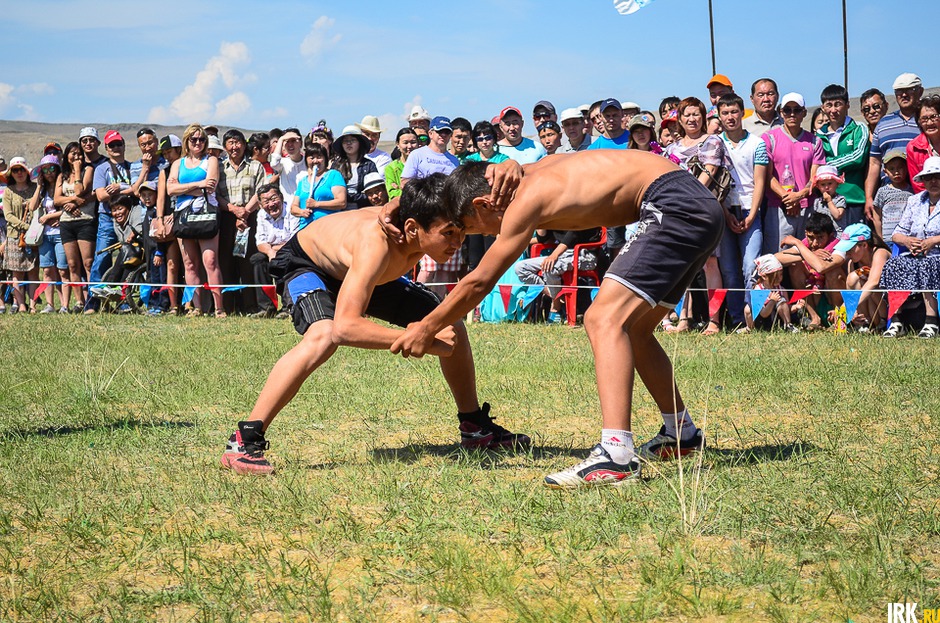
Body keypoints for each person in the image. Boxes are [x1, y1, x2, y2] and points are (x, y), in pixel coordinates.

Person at [386, 152, 723, 487]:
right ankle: (682, 435)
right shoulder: (523, 173)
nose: (484, 236)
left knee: (602, 319)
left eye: (474, 228)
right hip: (694, 203)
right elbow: (458, 179)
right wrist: (400, 204)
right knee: (634, 329)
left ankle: (616, 456)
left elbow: (478, 281)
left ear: (484, 204)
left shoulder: (523, 200)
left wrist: (426, 326)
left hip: (674, 205)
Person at [220, 174, 530, 474]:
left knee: (451, 324)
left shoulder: (422, 215)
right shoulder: (377, 244)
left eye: (461, 231)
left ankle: (474, 427)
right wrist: (419, 339)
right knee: (324, 335)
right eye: (449, 233)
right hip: (309, 265)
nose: (458, 242)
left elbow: (435, 188)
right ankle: (245, 439)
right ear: (411, 228)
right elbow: (345, 328)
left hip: (370, 274)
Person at [665, 96, 727, 334]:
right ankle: (683, 318)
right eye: (686, 115)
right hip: (676, 213)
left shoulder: (712, 142)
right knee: (682, 267)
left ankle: (714, 320)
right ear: (680, 120)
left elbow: (709, 173)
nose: (691, 119)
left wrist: (685, 198)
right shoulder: (671, 149)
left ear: (703, 117)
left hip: (703, 209)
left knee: (710, 264)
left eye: (696, 114)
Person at [716, 93, 769, 328]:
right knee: (728, 269)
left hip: (750, 208)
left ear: (742, 112)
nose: (730, 117)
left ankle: (752, 318)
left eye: (734, 112)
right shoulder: (714, 143)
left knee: (751, 265)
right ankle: (737, 319)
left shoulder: (758, 143)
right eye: (725, 113)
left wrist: (752, 214)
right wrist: (726, 215)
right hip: (724, 210)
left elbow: (760, 182)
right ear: (719, 115)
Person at [166, 123, 225, 317]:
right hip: (184, 216)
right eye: (194, 139)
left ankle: (219, 308)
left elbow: (211, 186)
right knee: (189, 263)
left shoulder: (212, 160)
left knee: (210, 260)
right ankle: (196, 307)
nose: (198, 142)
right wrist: (198, 183)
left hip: (206, 213)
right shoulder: (177, 164)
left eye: (201, 139)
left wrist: (184, 187)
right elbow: (170, 190)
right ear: (186, 142)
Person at [401, 116, 463, 296]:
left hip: (447, 219)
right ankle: (415, 300)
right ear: (430, 133)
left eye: (447, 132)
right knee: (428, 268)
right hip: (426, 217)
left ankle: (439, 308)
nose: (443, 135)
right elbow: (405, 183)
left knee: (445, 268)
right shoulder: (417, 155)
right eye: (440, 131)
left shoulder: (454, 160)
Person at [880, 156, 940, 338]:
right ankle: (897, 320)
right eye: (928, 178)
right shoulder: (915, 201)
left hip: (936, 255)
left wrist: (933, 241)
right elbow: (896, 233)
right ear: (922, 181)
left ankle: (931, 322)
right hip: (916, 254)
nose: (933, 181)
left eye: (937, 176)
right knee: (893, 265)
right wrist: (908, 242)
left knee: (927, 266)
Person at [762, 93, 825, 255]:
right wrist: (787, 198)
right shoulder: (769, 139)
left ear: (804, 113)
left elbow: (815, 176)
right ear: (780, 112)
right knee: (778, 256)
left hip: (808, 208)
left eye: (796, 110)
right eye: (787, 110)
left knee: (806, 257)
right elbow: (766, 176)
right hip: (778, 208)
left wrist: (800, 195)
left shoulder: (814, 141)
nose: (792, 114)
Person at [86, 130, 136, 313]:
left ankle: (124, 301)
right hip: (108, 219)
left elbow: (137, 190)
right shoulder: (102, 169)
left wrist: (118, 187)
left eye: (118, 144)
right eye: (111, 145)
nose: (116, 148)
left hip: (130, 219)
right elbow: (100, 195)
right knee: (101, 260)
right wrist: (125, 189)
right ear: (106, 148)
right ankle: (92, 304)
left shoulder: (133, 167)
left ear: (124, 145)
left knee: (130, 259)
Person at [217, 129, 266, 315]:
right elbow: (216, 195)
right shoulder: (220, 168)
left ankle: (251, 305)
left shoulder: (255, 166)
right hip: (227, 218)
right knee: (226, 262)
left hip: (250, 217)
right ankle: (230, 306)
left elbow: (260, 192)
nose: (234, 147)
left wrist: (244, 212)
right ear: (225, 147)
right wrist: (233, 210)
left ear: (244, 145)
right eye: (230, 143)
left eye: (238, 143)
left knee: (249, 262)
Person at [864, 74, 924, 221]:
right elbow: (874, 163)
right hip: (890, 197)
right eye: (899, 91)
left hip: (924, 193)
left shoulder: (928, 120)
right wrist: (869, 197)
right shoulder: (883, 123)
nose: (903, 94)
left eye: (909, 90)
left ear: (920, 91)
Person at [514, 226, 602, 323]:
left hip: (584, 254)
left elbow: (572, 235)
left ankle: (556, 308)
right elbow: (543, 239)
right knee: (521, 268)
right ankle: (559, 299)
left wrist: (554, 255)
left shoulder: (576, 213)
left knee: (549, 268)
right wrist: (542, 220)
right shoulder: (555, 216)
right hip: (562, 255)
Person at [775, 212, 847, 330]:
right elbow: (777, 257)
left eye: (820, 238)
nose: (815, 243)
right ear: (806, 234)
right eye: (811, 237)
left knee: (833, 272)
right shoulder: (805, 245)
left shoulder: (839, 246)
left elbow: (821, 268)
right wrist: (809, 254)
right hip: (813, 295)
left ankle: (839, 319)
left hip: (831, 296)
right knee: (795, 266)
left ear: (830, 235)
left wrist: (799, 246)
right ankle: (814, 318)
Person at [817, 84, 870, 226]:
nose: (833, 110)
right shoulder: (818, 136)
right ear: (823, 107)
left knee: (854, 245)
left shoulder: (859, 128)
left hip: (853, 200)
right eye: (829, 105)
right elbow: (815, 163)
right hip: (827, 202)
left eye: (838, 104)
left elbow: (858, 157)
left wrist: (827, 166)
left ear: (847, 105)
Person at [55, 141, 95, 313]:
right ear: (66, 156)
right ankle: (79, 301)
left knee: (88, 263)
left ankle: (92, 300)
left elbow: (80, 190)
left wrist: (78, 170)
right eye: (72, 153)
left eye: (79, 153)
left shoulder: (88, 170)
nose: (76, 156)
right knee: (72, 264)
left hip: (85, 220)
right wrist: (72, 202)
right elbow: (57, 200)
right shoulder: (61, 176)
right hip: (66, 223)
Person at [249, 184, 296, 318]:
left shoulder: (291, 211)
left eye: (274, 199)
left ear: (281, 198)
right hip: (271, 252)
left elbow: (293, 240)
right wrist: (270, 253)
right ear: (260, 204)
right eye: (266, 201)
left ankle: (288, 307)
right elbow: (260, 242)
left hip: (290, 251)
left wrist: (274, 250)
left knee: (286, 259)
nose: (271, 204)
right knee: (257, 259)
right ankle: (266, 308)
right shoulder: (261, 215)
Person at [833, 223, 890, 332]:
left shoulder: (880, 253)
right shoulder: (852, 262)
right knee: (852, 278)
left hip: (887, 305)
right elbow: (851, 291)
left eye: (850, 248)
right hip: (869, 308)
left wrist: (847, 307)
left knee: (869, 285)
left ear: (864, 245)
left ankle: (882, 322)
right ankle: (864, 322)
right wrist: (852, 313)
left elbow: (874, 282)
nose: (847, 253)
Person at [30, 155, 70, 313]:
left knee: (63, 270)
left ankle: (65, 305)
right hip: (45, 235)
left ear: (57, 169)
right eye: (45, 170)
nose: (49, 173)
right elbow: (33, 207)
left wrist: (49, 216)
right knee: (47, 270)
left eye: (52, 168)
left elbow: (67, 207)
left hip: (61, 232)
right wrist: (39, 187)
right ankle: (50, 304)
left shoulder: (64, 186)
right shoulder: (43, 190)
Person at [1, 158, 38, 312]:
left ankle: (33, 305)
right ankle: (21, 304)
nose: (19, 173)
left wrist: (31, 228)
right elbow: (8, 215)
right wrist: (25, 226)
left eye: (21, 169)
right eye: (15, 170)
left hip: (35, 235)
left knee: (33, 271)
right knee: (17, 273)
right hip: (14, 235)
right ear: (11, 173)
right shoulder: (9, 191)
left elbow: (39, 208)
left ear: (27, 171)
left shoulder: (35, 188)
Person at [291, 144, 347, 230]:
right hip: (305, 229)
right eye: (311, 158)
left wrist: (317, 204)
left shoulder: (333, 175)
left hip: (328, 228)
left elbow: (341, 202)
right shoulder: (303, 181)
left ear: (325, 159)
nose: (315, 161)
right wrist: (301, 212)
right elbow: (293, 207)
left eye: (319, 157)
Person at [740, 254, 796, 333]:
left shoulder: (781, 289)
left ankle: (788, 325)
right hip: (762, 320)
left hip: (776, 320)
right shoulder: (758, 290)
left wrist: (796, 307)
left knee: (782, 301)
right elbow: (763, 314)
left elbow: (787, 308)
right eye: (776, 276)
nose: (780, 278)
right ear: (764, 276)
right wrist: (772, 301)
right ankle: (749, 328)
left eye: (781, 275)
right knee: (748, 308)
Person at [331, 125, 378, 209]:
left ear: (360, 143)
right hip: (339, 212)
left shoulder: (369, 165)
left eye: (353, 140)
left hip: (364, 210)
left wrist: (351, 197)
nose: (349, 143)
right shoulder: (336, 165)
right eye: (345, 141)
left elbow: (374, 191)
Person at [872, 149, 912, 244]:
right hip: (888, 239)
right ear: (885, 171)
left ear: (906, 168)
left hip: (907, 239)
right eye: (892, 169)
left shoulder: (912, 191)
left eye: (900, 167)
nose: (896, 172)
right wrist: (880, 238)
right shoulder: (882, 191)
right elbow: (877, 216)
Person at [906, 94, 940, 194]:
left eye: (934, 117)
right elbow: (917, 183)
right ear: (919, 122)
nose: (929, 123)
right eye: (924, 119)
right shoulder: (913, 148)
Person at [385, 128, 419, 200]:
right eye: (405, 142)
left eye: (413, 142)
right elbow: (392, 193)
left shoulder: (423, 165)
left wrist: (402, 189)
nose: (409, 146)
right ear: (398, 144)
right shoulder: (391, 168)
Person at [270, 129, 305, 200]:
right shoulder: (283, 163)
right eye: (287, 141)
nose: (290, 144)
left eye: (293, 140)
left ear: (301, 143)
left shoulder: (308, 162)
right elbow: (274, 163)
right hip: (288, 207)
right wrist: (281, 139)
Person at [811, 165, 848, 233]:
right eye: (823, 185)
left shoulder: (840, 199)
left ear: (837, 184)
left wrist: (829, 201)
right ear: (818, 186)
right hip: (822, 235)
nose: (826, 187)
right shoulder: (817, 201)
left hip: (837, 234)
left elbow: (837, 215)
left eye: (830, 183)